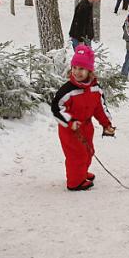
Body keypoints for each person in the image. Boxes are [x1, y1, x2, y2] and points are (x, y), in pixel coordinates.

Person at [51, 45, 116, 191]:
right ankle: (75, 182)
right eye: (74, 68)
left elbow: (100, 108)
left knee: (88, 151)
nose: (77, 72)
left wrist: (107, 124)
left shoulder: (95, 88)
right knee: (77, 155)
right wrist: (70, 122)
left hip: (86, 127)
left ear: (89, 71)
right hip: (70, 129)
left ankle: (81, 172)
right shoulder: (68, 90)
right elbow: (57, 108)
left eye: (81, 69)